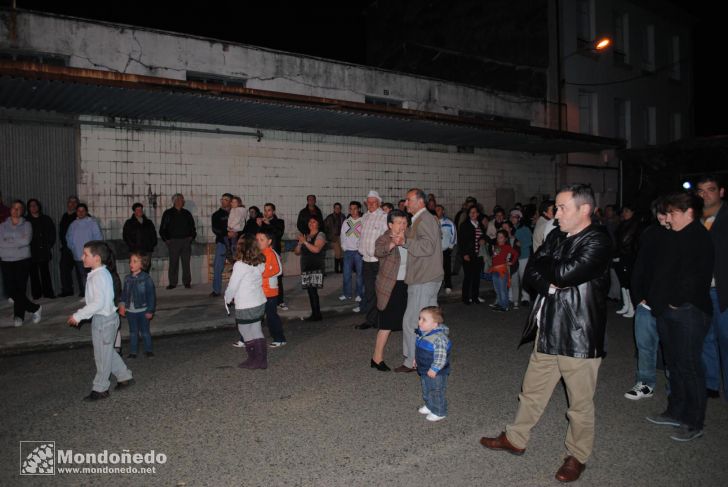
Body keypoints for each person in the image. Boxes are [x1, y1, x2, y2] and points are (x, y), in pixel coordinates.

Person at [480, 184, 611, 483]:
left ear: (585, 210)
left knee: (579, 404)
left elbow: (564, 272)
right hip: (548, 326)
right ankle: (516, 438)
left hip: (578, 333)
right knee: (532, 391)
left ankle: (577, 455)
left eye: (564, 208)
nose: (556, 214)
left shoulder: (598, 240)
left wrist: (549, 269)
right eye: (557, 207)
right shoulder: (555, 235)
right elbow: (532, 273)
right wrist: (551, 277)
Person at [646, 191, 713, 442]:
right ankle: (676, 411)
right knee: (673, 364)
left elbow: (694, 277)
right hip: (669, 310)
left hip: (688, 312)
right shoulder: (674, 236)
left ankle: (694, 421)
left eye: (672, 213)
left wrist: (675, 302)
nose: (668, 218)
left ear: (688, 213)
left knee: (689, 366)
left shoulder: (698, 237)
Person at [67, 241, 133, 401]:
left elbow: (98, 303)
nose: (82, 257)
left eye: (86, 254)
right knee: (107, 352)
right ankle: (124, 376)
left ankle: (101, 388)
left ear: (96, 258)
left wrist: (78, 315)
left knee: (101, 357)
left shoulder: (99, 276)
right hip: (106, 319)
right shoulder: (100, 273)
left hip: (104, 321)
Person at [625, 199, 671, 400]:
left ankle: (675, 388)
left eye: (667, 212)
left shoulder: (684, 235)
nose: (663, 216)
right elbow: (640, 266)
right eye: (659, 212)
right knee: (645, 345)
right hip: (647, 302)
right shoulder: (651, 233)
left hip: (671, 304)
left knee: (672, 348)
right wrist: (638, 297)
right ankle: (645, 383)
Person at [397, 188, 443, 373]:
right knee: (428, 323)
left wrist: (404, 242)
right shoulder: (419, 219)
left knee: (413, 322)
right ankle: (428, 359)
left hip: (425, 278)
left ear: (420, 202)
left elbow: (428, 246)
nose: (406, 203)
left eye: (409, 200)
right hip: (423, 277)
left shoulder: (425, 219)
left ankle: (412, 361)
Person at [696, 175, 728, 400]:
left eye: (710, 189)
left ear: (721, 192)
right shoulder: (693, 219)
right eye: (701, 190)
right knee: (705, 338)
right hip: (699, 291)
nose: (705, 194)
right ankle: (711, 384)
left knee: (726, 339)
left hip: (722, 290)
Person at [370, 209, 409, 372]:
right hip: (390, 286)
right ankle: (376, 358)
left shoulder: (409, 237)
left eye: (405, 222)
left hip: (407, 284)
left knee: (409, 322)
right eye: (399, 223)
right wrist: (394, 243)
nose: (403, 226)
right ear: (390, 224)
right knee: (386, 324)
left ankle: (411, 357)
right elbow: (378, 251)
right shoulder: (384, 238)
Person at [225, 235, 268, 369]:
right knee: (256, 328)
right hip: (259, 302)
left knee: (244, 329)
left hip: (246, 304)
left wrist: (227, 298)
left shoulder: (240, 265)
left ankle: (253, 358)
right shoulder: (259, 262)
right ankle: (261, 360)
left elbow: (233, 285)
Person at [0, 200, 42, 327]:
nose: (15, 210)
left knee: (20, 289)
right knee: (11, 291)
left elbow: (25, 241)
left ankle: (19, 316)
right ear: (10, 209)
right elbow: (1, 243)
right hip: (6, 260)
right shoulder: (2, 226)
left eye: (19, 208)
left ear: (22, 211)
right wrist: (15, 242)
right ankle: (35, 308)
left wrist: (9, 241)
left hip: (22, 260)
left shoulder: (27, 224)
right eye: (13, 207)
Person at [356, 191, 388, 329]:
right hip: (366, 260)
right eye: (368, 202)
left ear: (379, 203)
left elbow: (388, 237)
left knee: (381, 292)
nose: (370, 205)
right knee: (369, 292)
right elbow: (361, 236)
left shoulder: (384, 217)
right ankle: (371, 320)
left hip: (379, 260)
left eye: (373, 202)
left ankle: (383, 320)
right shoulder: (365, 217)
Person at [415, 306, 451, 422]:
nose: (419, 321)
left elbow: (441, 357)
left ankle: (440, 411)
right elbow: (420, 349)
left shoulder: (439, 339)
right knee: (426, 388)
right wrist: (416, 359)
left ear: (435, 324)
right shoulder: (424, 333)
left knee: (436, 390)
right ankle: (430, 405)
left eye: (424, 319)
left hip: (437, 372)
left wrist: (434, 369)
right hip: (425, 368)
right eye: (420, 318)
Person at [119, 251, 156, 359]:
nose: (131, 263)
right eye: (130, 261)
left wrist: (150, 310)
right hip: (131, 312)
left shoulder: (146, 278)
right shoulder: (127, 279)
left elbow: (151, 296)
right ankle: (133, 352)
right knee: (133, 332)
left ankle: (148, 350)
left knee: (145, 332)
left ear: (142, 264)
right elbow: (124, 294)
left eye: (135, 261)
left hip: (143, 310)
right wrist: (122, 305)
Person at [159, 193, 196, 290]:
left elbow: (192, 227)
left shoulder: (187, 213)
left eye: (182, 200)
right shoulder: (168, 213)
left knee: (186, 263)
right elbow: (163, 228)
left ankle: (187, 282)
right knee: (173, 263)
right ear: (174, 201)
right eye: (179, 199)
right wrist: (166, 240)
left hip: (185, 241)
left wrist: (191, 237)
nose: (181, 201)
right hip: (173, 241)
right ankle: (172, 283)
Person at [256, 230, 286, 348]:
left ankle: (279, 338)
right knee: (255, 316)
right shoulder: (258, 253)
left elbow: (278, 270)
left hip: (270, 292)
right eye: (257, 240)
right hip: (259, 291)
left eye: (261, 240)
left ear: (269, 241)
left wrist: (261, 273)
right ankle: (247, 339)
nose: (258, 242)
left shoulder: (272, 253)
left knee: (271, 316)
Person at [66, 203, 103, 296]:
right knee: (82, 276)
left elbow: (98, 238)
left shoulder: (92, 223)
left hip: (91, 255)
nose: (81, 213)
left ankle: (95, 295)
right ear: (76, 212)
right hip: (78, 255)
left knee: (93, 276)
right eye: (79, 211)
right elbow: (68, 239)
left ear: (86, 212)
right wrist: (73, 249)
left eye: (83, 211)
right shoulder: (73, 225)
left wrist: (95, 252)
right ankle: (86, 294)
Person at [295, 216, 326, 321]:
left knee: (313, 291)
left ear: (318, 224)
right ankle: (315, 314)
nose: (311, 223)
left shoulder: (320, 235)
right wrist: (300, 243)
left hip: (315, 266)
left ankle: (317, 315)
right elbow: (297, 252)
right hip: (306, 266)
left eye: (314, 221)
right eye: (309, 221)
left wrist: (305, 242)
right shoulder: (306, 236)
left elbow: (316, 249)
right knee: (310, 291)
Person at [614, 204, 641, 318]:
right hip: (622, 255)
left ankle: (631, 307)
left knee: (628, 282)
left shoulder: (634, 224)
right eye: (624, 211)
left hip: (628, 256)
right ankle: (626, 305)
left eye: (627, 211)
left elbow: (625, 240)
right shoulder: (623, 224)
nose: (624, 213)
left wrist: (618, 252)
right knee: (623, 283)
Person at [258, 203, 287, 311]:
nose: (266, 212)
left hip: (274, 252)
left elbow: (278, 234)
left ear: (273, 211)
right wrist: (259, 225)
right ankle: (264, 299)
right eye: (265, 210)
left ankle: (280, 301)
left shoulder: (279, 222)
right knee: (262, 275)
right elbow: (259, 238)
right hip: (262, 253)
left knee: (277, 276)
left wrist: (269, 224)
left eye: (269, 210)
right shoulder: (263, 223)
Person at [26, 198, 56, 299]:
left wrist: (49, 244)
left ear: (39, 206)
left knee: (45, 273)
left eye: (35, 205)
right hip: (31, 251)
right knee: (33, 274)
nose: (33, 207)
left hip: (43, 251)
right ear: (28, 208)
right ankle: (37, 295)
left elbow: (52, 233)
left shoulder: (46, 219)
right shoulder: (26, 221)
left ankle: (48, 293)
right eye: (31, 206)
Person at [458, 205, 485, 305]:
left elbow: (483, 237)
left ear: (478, 214)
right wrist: (464, 254)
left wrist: (483, 240)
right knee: (468, 277)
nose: (473, 214)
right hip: (468, 255)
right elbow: (461, 241)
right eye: (471, 212)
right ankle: (465, 298)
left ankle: (474, 297)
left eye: (475, 212)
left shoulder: (480, 225)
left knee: (476, 277)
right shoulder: (464, 225)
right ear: (468, 214)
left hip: (478, 255)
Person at [488, 229, 519, 312]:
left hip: (502, 270)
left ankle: (505, 306)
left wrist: (511, 262)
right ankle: (500, 304)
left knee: (502, 289)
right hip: (494, 270)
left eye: (501, 237)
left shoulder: (507, 247)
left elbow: (515, 253)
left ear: (505, 239)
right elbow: (494, 258)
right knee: (497, 289)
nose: (499, 239)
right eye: (498, 237)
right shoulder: (495, 247)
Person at [340, 201, 364, 304]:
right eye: (351, 209)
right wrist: (344, 247)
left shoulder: (363, 221)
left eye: (355, 208)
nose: (353, 211)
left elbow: (364, 236)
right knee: (346, 274)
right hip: (348, 252)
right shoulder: (346, 222)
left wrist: (361, 248)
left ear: (359, 209)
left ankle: (359, 294)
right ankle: (347, 293)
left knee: (360, 275)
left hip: (359, 252)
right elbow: (342, 236)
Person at [210, 193, 232, 297]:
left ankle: (237, 290)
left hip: (235, 243)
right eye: (222, 199)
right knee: (218, 266)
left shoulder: (235, 213)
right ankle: (216, 290)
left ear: (231, 202)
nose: (223, 201)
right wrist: (226, 234)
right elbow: (215, 229)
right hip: (222, 242)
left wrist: (236, 234)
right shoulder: (216, 215)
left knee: (238, 266)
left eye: (226, 199)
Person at [58, 195, 80, 297]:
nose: (72, 204)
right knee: (64, 269)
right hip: (66, 248)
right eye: (70, 202)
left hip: (78, 248)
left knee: (80, 270)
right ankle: (67, 290)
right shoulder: (65, 216)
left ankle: (83, 290)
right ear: (67, 204)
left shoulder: (80, 216)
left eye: (75, 202)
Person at [511, 209, 533, 306]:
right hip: (513, 257)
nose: (512, 218)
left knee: (523, 277)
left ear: (519, 218)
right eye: (511, 216)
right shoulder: (511, 228)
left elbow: (529, 242)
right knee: (514, 277)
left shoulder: (525, 229)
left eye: (515, 217)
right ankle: (513, 297)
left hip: (523, 256)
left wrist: (521, 244)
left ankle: (525, 298)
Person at [435, 205, 457, 295]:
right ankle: (437, 286)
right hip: (435, 251)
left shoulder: (449, 222)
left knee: (446, 268)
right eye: (435, 210)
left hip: (445, 250)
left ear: (443, 211)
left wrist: (451, 246)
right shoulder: (432, 222)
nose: (437, 211)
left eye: (439, 210)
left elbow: (454, 234)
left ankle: (448, 285)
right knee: (436, 269)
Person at [324, 203, 346, 273]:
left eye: (339, 208)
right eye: (336, 208)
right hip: (334, 237)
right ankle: (336, 269)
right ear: (333, 208)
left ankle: (342, 269)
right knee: (338, 253)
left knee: (342, 253)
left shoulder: (343, 217)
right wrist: (329, 237)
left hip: (342, 237)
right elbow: (324, 228)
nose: (337, 209)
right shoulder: (330, 217)